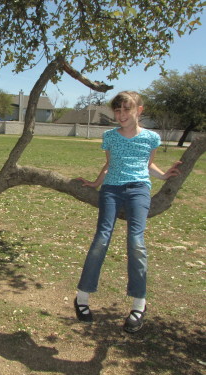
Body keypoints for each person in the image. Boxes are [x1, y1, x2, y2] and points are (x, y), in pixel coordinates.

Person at [74, 91, 181, 333]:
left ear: (138, 111)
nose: (121, 115)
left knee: (136, 242)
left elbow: (148, 163)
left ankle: (138, 304)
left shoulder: (152, 137)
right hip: (112, 188)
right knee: (102, 238)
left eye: (126, 110)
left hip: (138, 189)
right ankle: (82, 298)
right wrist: (95, 183)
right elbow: (110, 164)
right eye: (118, 110)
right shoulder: (110, 136)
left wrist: (163, 175)